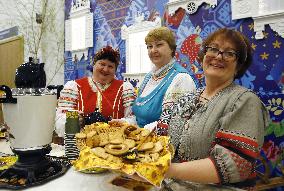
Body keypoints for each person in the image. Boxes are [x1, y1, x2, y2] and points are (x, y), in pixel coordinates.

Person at [156, 28, 269, 190]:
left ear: (239, 66)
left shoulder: (244, 101)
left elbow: (236, 165)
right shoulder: (187, 98)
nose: (218, 56)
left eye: (229, 53)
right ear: (203, 56)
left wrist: (166, 170)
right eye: (213, 49)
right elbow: (162, 138)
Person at [55, 46, 136, 137]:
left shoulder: (125, 88)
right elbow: (59, 123)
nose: (105, 69)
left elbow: (134, 119)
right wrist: (74, 121)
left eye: (110, 66)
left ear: (115, 70)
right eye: (102, 64)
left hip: (116, 146)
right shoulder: (74, 87)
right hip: (81, 147)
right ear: (94, 64)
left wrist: (121, 123)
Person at [129, 26, 199, 128]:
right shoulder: (148, 78)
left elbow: (177, 124)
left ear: (171, 48)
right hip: (139, 140)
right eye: (149, 46)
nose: (153, 50)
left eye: (159, 45)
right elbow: (138, 117)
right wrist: (125, 123)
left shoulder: (181, 79)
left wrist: (141, 132)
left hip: (162, 142)